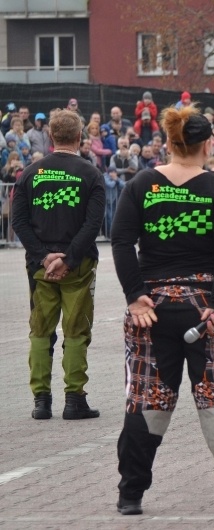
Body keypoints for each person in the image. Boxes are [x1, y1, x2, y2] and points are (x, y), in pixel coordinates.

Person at [110, 104, 214, 516]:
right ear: (209, 145)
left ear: (168, 142)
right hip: (206, 310)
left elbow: (121, 241)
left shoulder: (141, 184)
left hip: (152, 307)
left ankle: (130, 494)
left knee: (147, 397)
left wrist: (135, 296)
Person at [10, 108, 105, 421]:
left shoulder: (29, 173)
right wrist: (69, 257)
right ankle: (74, 400)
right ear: (79, 136)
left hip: (40, 268)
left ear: (50, 136)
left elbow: (18, 221)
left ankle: (41, 401)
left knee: (40, 331)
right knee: (76, 332)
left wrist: (43, 256)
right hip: (78, 266)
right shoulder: (91, 174)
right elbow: (93, 224)